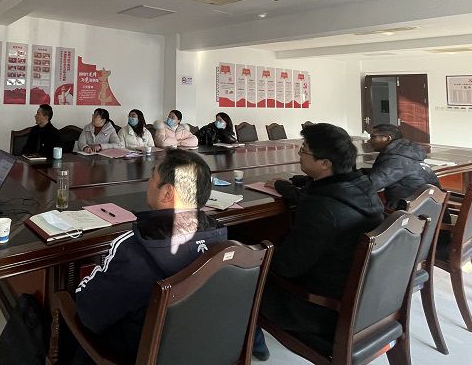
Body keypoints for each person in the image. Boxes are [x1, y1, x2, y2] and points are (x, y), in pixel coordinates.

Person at [74, 150, 228, 363]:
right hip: (196, 350)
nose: (148, 181)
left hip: (138, 354)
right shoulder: (220, 240)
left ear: (167, 193)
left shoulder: (134, 250)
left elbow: (89, 313)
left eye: (152, 176)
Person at [253, 123, 384, 361]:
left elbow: (285, 267)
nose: (299, 153)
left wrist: (255, 252)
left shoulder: (322, 209)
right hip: (364, 299)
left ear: (325, 163)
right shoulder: (362, 188)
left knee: (239, 275)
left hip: (320, 309)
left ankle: (251, 343)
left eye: (304, 150)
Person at [364, 123, 442, 209]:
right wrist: (361, 172)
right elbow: (384, 171)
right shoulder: (405, 153)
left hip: (413, 212)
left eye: (373, 137)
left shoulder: (397, 159)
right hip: (430, 209)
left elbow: (370, 185)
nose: (369, 141)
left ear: (387, 138)